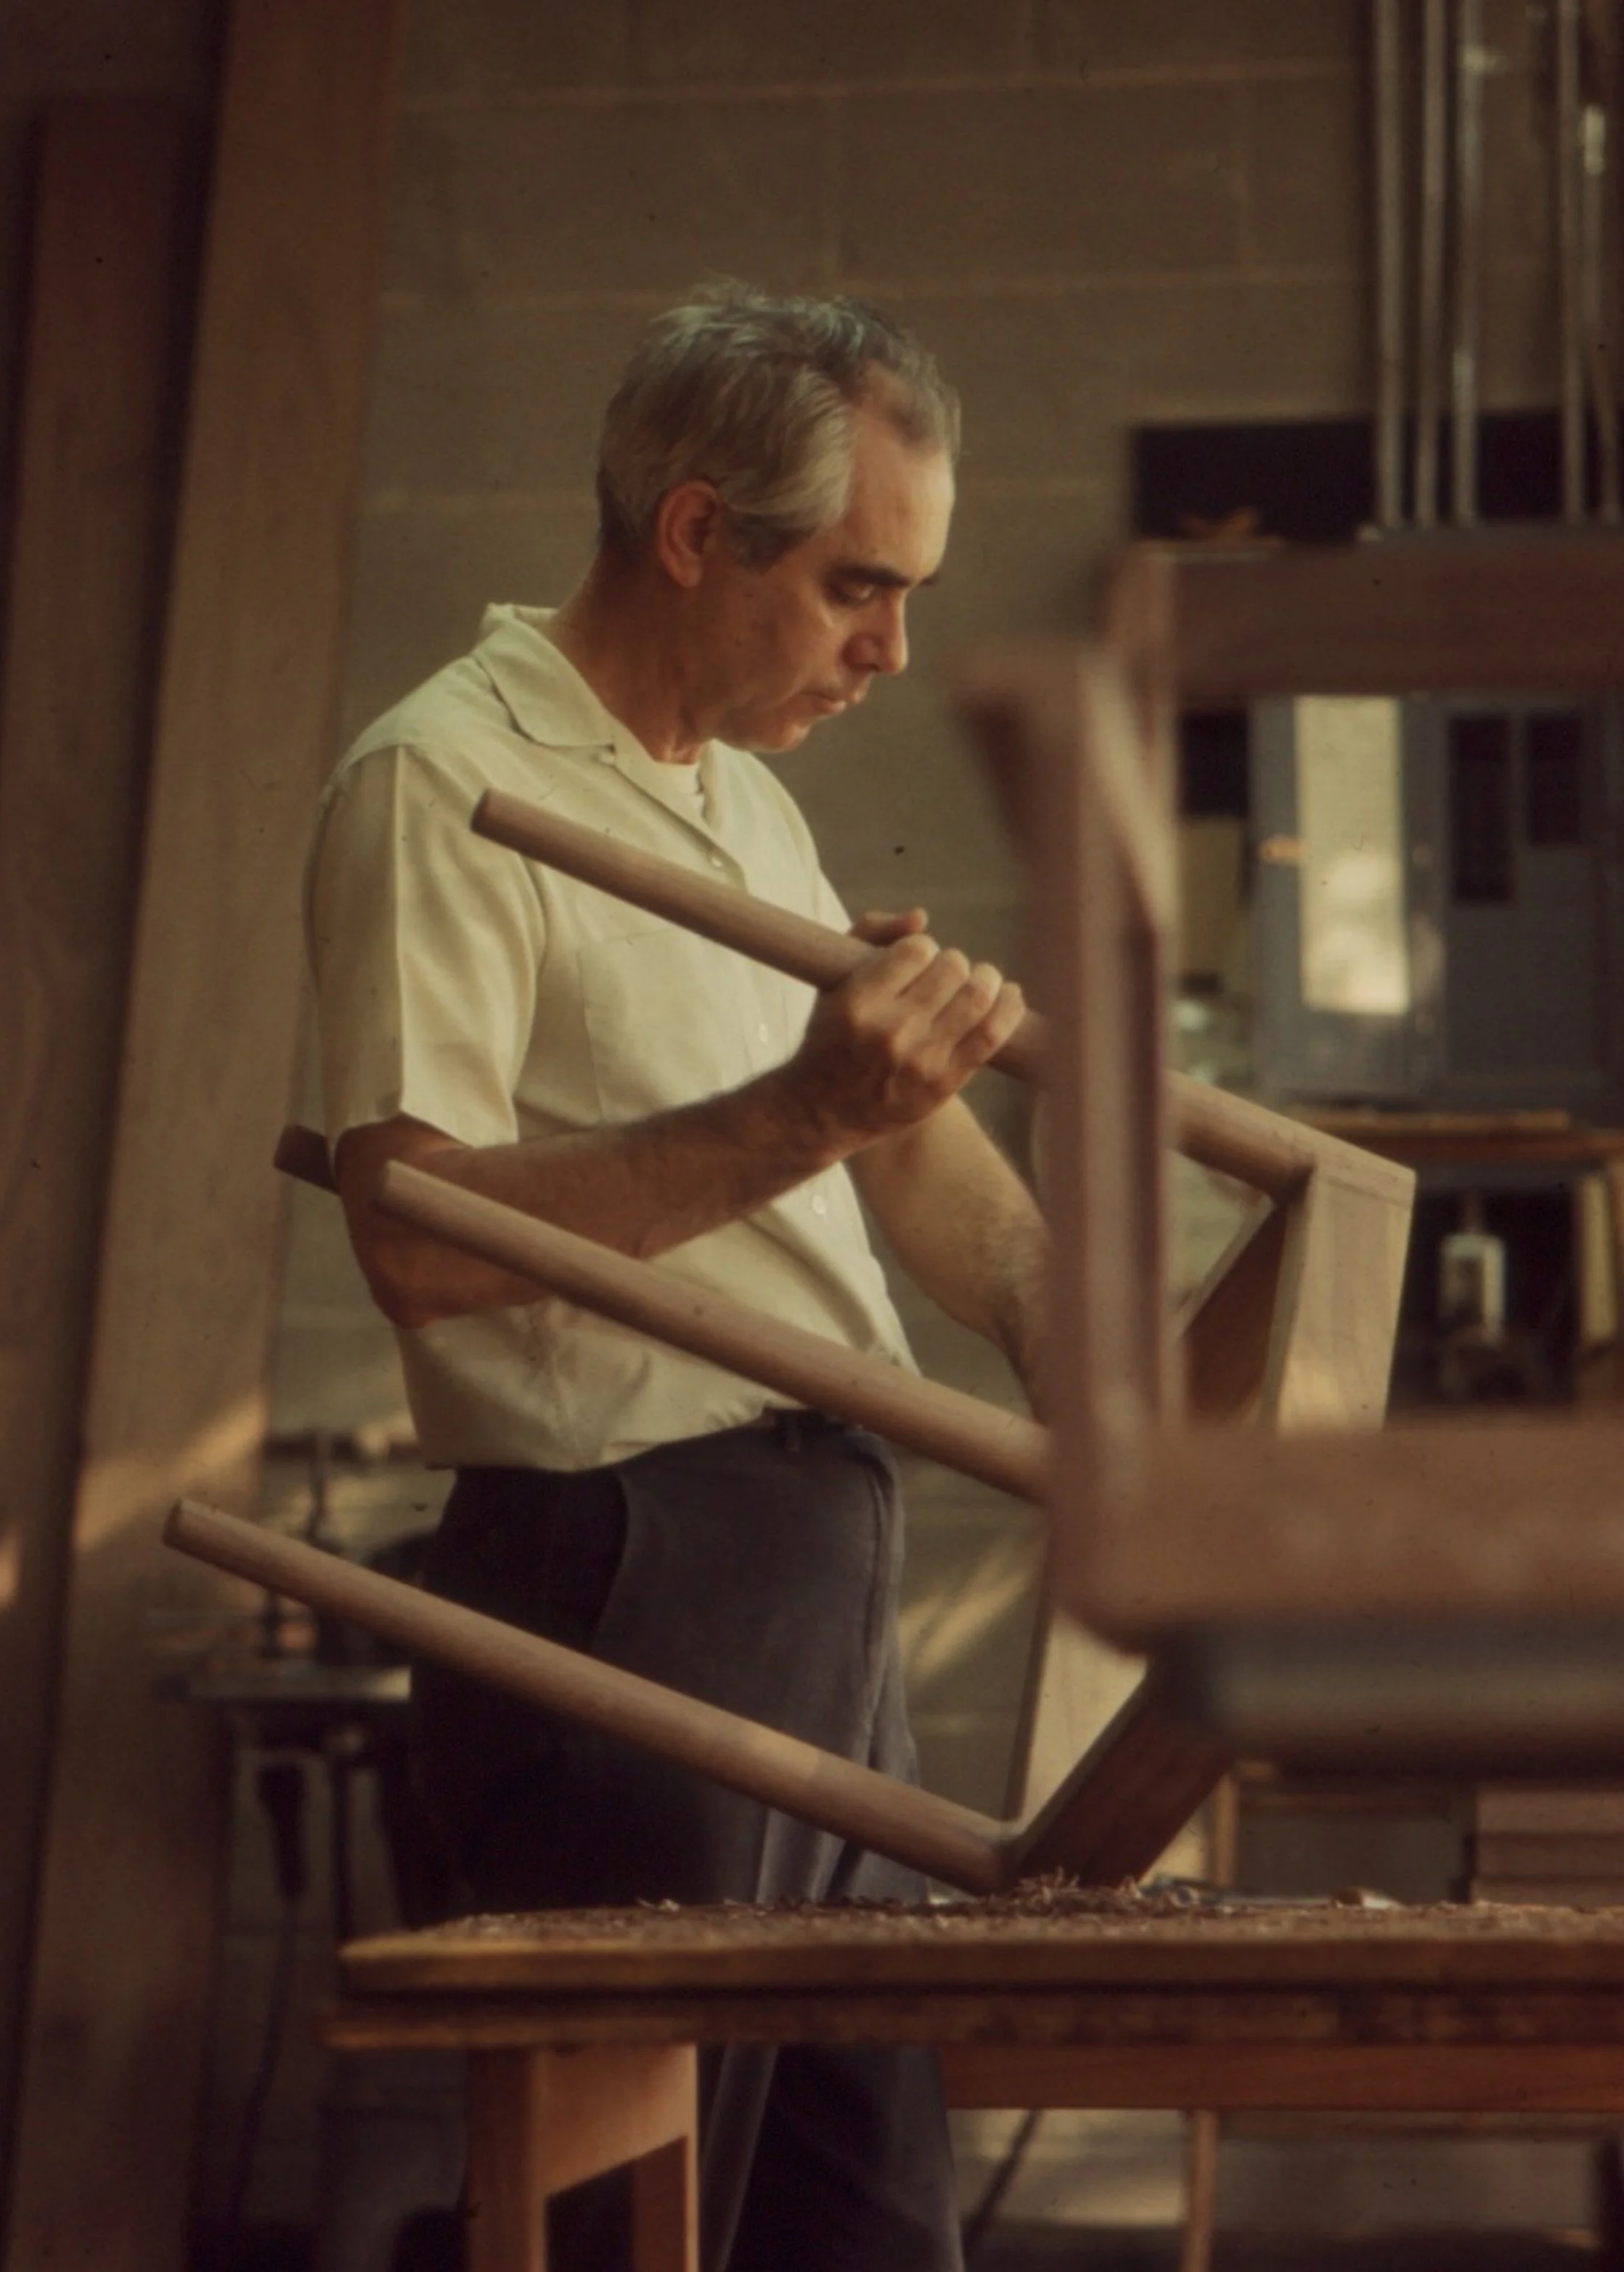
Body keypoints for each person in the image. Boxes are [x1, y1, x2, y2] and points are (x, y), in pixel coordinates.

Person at [306, 281, 1048, 2272]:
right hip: (633, 1566)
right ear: (698, 530)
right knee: (632, 2225)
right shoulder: (446, 781)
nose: (891, 649)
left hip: (820, 1555)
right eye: (853, 589)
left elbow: (897, 1146)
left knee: (858, 2219)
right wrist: (803, 1110)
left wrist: (1089, 1348)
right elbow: (412, 1237)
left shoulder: (742, 797)